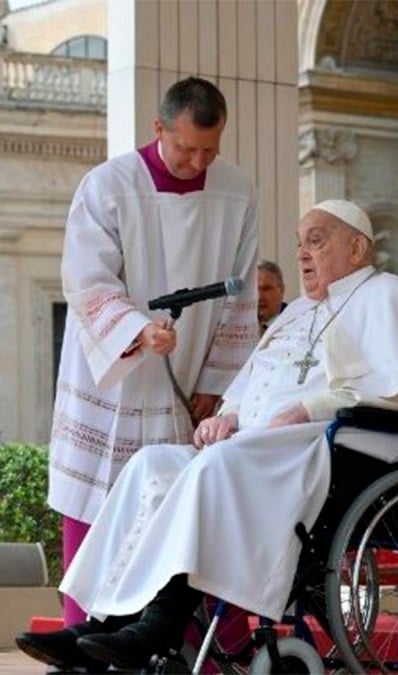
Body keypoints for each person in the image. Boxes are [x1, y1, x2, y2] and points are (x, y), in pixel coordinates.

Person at [18, 200, 398, 671]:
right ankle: (104, 618)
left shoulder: (388, 295)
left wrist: (306, 408)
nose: (303, 254)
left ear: (357, 247)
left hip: (334, 445)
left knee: (216, 466)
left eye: (317, 240)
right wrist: (226, 415)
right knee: (151, 464)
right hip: (259, 446)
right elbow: (252, 379)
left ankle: (160, 624)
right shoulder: (296, 314)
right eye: (299, 243)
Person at [49, 76, 259, 627]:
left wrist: (218, 383)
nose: (196, 161)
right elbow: (86, 279)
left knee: (181, 514)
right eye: (186, 147)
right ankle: (87, 638)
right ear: (158, 127)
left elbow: (241, 293)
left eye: (209, 149)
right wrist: (137, 332)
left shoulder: (236, 190)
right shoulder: (109, 185)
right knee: (102, 508)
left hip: (189, 379)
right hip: (113, 377)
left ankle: (177, 644)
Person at [257, 259, 287, 334]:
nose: (259, 297)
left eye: (266, 289)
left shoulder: (297, 324)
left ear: (282, 290)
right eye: (254, 291)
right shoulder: (236, 327)